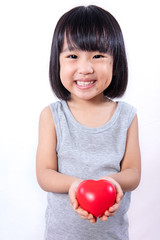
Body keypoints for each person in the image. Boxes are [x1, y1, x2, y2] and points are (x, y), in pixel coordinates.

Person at [36, 5, 141, 240]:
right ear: (57, 62)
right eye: (73, 56)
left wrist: (111, 183)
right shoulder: (52, 115)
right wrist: (77, 186)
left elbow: (133, 172)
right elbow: (44, 173)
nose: (85, 68)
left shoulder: (126, 115)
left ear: (116, 62)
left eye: (98, 55)